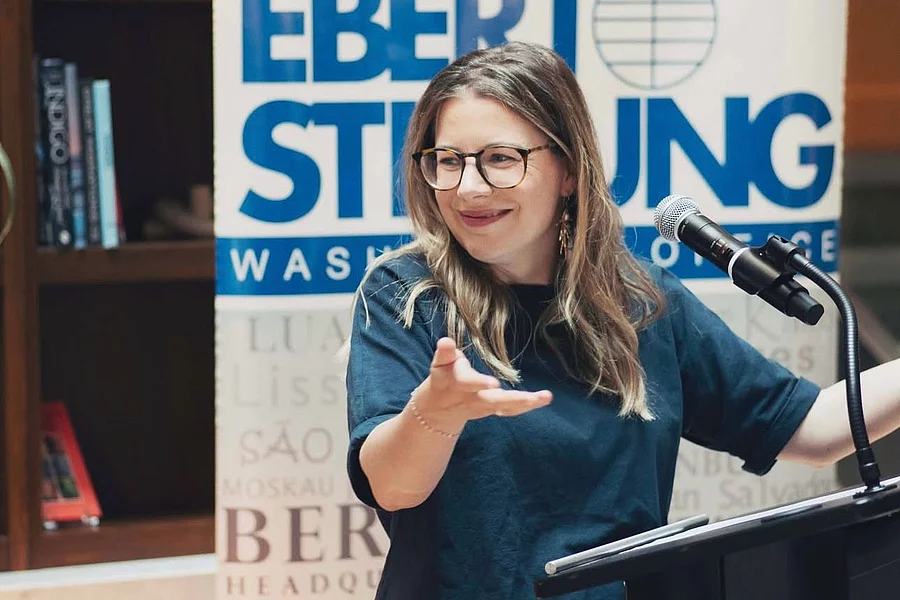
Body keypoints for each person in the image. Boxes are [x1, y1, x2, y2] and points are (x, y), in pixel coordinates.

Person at [344, 41, 900, 600]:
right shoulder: (405, 295)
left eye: (499, 159)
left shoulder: (640, 301)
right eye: (448, 160)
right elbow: (392, 487)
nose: (468, 187)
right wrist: (434, 413)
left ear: (567, 170)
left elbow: (813, 426)